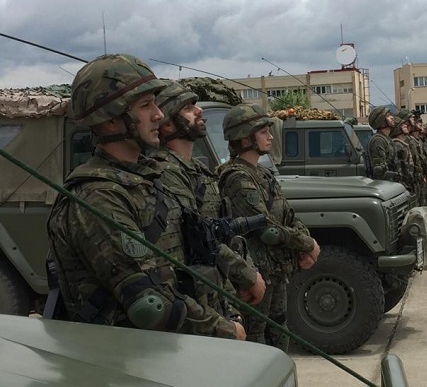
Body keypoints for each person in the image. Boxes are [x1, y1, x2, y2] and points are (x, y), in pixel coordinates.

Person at [47, 54, 242, 339]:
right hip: (126, 362)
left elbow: (192, 261)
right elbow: (149, 305)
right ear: (112, 120)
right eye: (145, 105)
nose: (159, 115)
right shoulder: (97, 196)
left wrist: (228, 309)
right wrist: (223, 329)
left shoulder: (149, 179)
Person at [151, 80, 266, 307]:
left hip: (218, 288)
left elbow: (223, 228)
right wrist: (248, 276)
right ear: (167, 125)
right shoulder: (165, 172)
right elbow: (198, 237)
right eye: (187, 108)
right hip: (198, 297)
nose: (199, 110)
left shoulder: (197, 169)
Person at [217, 103, 320, 352]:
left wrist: (307, 241)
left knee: (279, 334)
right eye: (264, 132)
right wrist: (307, 244)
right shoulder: (237, 178)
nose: (271, 136)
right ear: (244, 138)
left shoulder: (262, 173)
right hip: (257, 274)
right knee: (257, 341)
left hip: (275, 273)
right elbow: (267, 229)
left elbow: (287, 215)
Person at [366, 106, 400, 181]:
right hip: (386, 185)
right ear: (381, 121)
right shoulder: (378, 140)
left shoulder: (387, 139)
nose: (392, 117)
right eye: (388, 116)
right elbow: (379, 170)